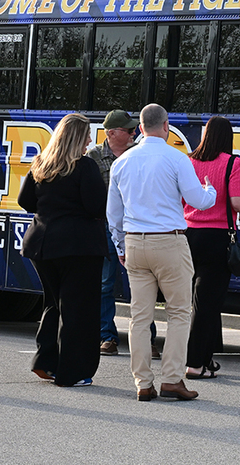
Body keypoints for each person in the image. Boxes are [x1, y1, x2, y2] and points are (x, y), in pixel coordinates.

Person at [107, 103, 216, 401]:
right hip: (169, 241)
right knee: (179, 312)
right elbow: (198, 200)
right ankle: (172, 379)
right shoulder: (177, 158)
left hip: (134, 242)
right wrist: (211, 191)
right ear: (166, 125)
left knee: (140, 316)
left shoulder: (122, 162)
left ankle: (143, 383)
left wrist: (120, 246)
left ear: (140, 128)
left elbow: (113, 214)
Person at [18, 113, 107, 387]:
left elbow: (25, 201)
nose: (90, 141)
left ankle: (46, 361)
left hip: (42, 243)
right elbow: (97, 207)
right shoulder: (85, 167)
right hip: (79, 246)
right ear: (77, 138)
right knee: (78, 310)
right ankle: (72, 372)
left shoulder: (41, 164)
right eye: (87, 135)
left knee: (53, 303)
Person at [85, 109, 159, 360]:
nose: (133, 133)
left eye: (134, 129)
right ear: (111, 133)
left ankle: (147, 340)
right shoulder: (94, 156)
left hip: (137, 226)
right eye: (128, 130)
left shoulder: (138, 153)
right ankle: (107, 337)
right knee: (105, 284)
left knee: (141, 286)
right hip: (105, 226)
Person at [183, 116, 240, 379]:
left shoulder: (189, 161)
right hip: (217, 237)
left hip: (189, 234)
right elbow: (237, 203)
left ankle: (206, 359)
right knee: (206, 304)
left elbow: (181, 200)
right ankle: (195, 363)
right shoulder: (233, 162)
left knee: (193, 301)